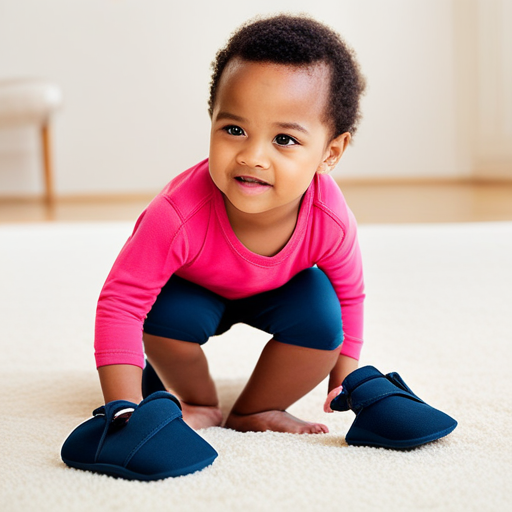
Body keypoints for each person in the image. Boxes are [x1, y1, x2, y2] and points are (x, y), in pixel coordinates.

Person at [94, 14, 366, 435]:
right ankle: (199, 401)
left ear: (331, 152)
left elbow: (351, 296)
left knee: (323, 317)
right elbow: (122, 302)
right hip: (192, 294)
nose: (253, 156)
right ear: (213, 120)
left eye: (284, 139)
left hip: (281, 294)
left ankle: (257, 409)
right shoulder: (177, 214)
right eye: (235, 129)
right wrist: (125, 408)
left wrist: (346, 380)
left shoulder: (328, 218)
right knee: (161, 314)